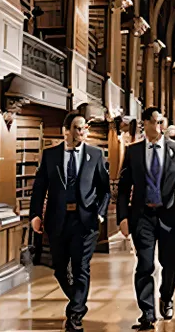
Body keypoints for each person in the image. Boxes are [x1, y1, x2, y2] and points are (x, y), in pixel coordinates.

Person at [117, 107, 175, 331]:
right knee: (144, 264)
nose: (159, 126)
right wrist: (122, 217)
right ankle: (147, 313)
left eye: (161, 121)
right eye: (154, 121)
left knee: (170, 263)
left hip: (170, 216)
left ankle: (166, 297)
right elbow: (123, 189)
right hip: (142, 216)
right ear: (144, 124)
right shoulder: (133, 152)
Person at [30, 111, 111, 331]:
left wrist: (100, 213)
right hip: (58, 220)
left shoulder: (95, 154)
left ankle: (75, 314)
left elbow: (105, 190)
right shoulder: (50, 155)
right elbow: (39, 188)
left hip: (85, 222)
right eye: (77, 128)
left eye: (84, 127)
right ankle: (78, 300)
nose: (82, 132)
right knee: (58, 268)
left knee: (81, 267)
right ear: (65, 131)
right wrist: (35, 214)